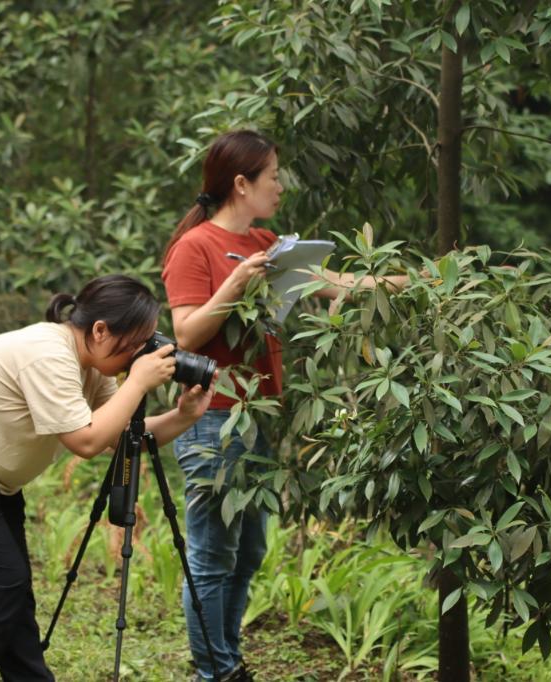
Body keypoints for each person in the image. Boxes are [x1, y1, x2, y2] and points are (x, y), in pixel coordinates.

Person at [162, 129, 408, 682]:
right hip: (213, 418)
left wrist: (417, 283)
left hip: (261, 418)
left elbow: (338, 283)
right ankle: (216, 672)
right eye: (273, 175)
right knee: (210, 557)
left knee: (247, 553)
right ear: (241, 183)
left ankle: (227, 662)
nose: (281, 185)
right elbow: (185, 335)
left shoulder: (267, 242)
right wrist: (236, 285)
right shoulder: (194, 247)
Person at [0, 274, 217, 682]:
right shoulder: (48, 355)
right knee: (1, 585)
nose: (142, 354)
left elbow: (116, 437)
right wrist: (136, 382)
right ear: (100, 330)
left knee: (13, 595)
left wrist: (183, 415)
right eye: (136, 344)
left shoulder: (91, 364)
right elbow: (85, 440)